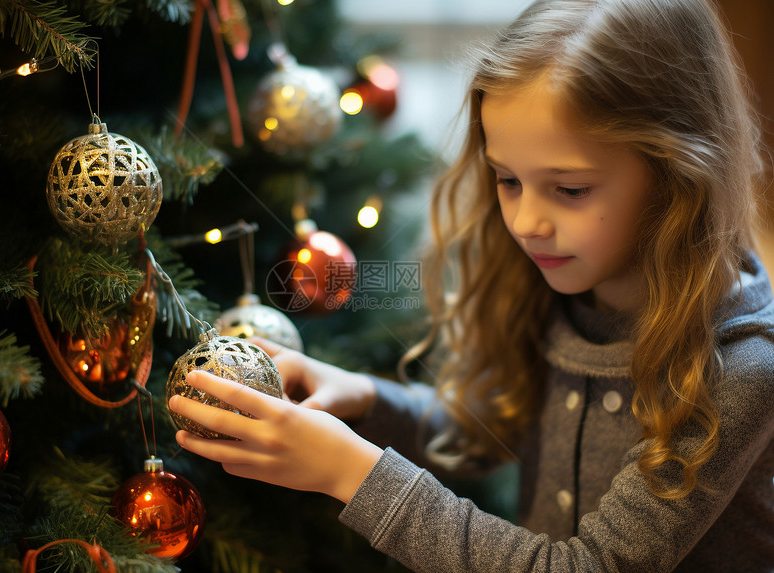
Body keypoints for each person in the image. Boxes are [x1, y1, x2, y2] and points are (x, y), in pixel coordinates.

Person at [168, 0, 774, 570]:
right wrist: (368, 400)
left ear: (678, 175)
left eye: (569, 189)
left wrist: (350, 472)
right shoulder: (557, 290)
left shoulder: (741, 369)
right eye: (507, 180)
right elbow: (489, 431)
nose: (526, 223)